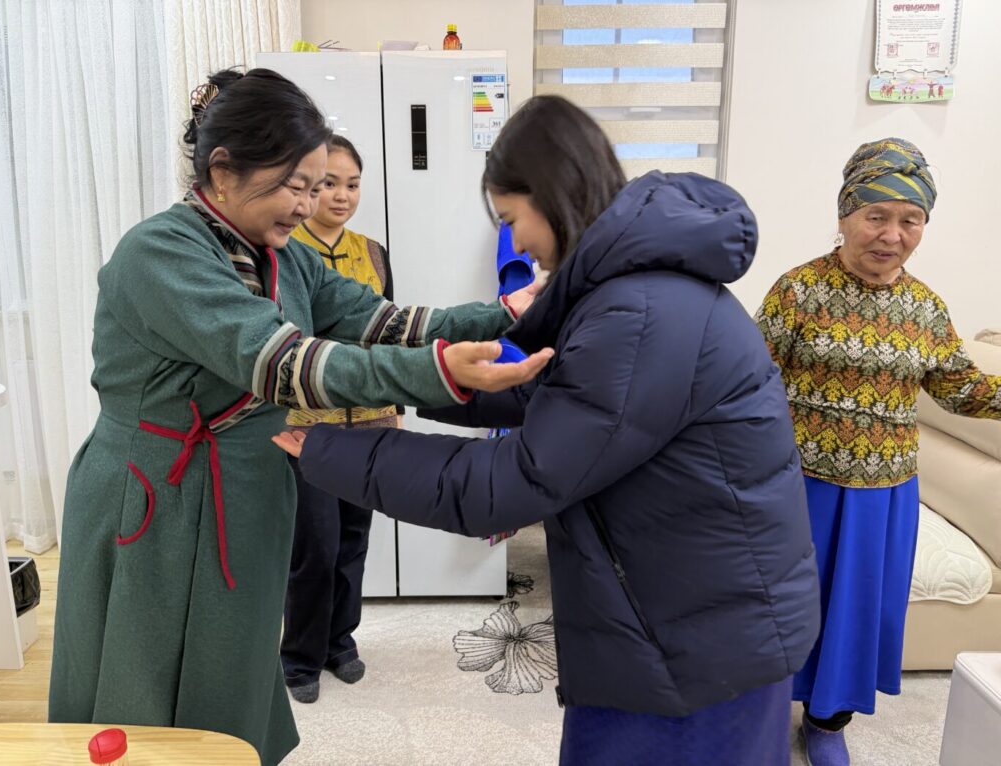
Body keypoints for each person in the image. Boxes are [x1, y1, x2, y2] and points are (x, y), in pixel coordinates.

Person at [274, 94, 821, 766]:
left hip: (696, 645)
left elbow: (513, 482)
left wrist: (332, 447)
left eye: (512, 220)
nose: (519, 245)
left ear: (552, 194)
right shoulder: (633, 293)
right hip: (673, 616)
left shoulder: (639, 314)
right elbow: (548, 394)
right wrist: (420, 380)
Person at [47, 68, 551, 766]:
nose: (310, 204)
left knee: (232, 657)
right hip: (154, 492)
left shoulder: (283, 258)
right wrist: (436, 372)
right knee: (145, 676)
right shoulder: (161, 252)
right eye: (297, 185)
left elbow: (384, 321)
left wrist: (501, 314)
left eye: (318, 187)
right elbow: (284, 363)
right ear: (223, 171)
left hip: (245, 481)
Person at [754, 137, 1001, 766]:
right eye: (876, 215)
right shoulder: (797, 291)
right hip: (800, 485)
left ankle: (827, 722)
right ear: (844, 216)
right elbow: (750, 381)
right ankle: (759, 719)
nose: (892, 235)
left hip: (884, 496)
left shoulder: (925, 308)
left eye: (910, 220)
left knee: (858, 613)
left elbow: (961, 390)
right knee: (781, 606)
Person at [280, 134, 398, 703]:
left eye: (352, 184)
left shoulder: (373, 252)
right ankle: (300, 657)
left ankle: (340, 644)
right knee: (315, 547)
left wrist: (394, 410)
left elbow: (390, 335)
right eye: (328, 183)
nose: (341, 195)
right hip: (307, 425)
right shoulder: (285, 250)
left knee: (354, 540)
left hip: (370, 424)